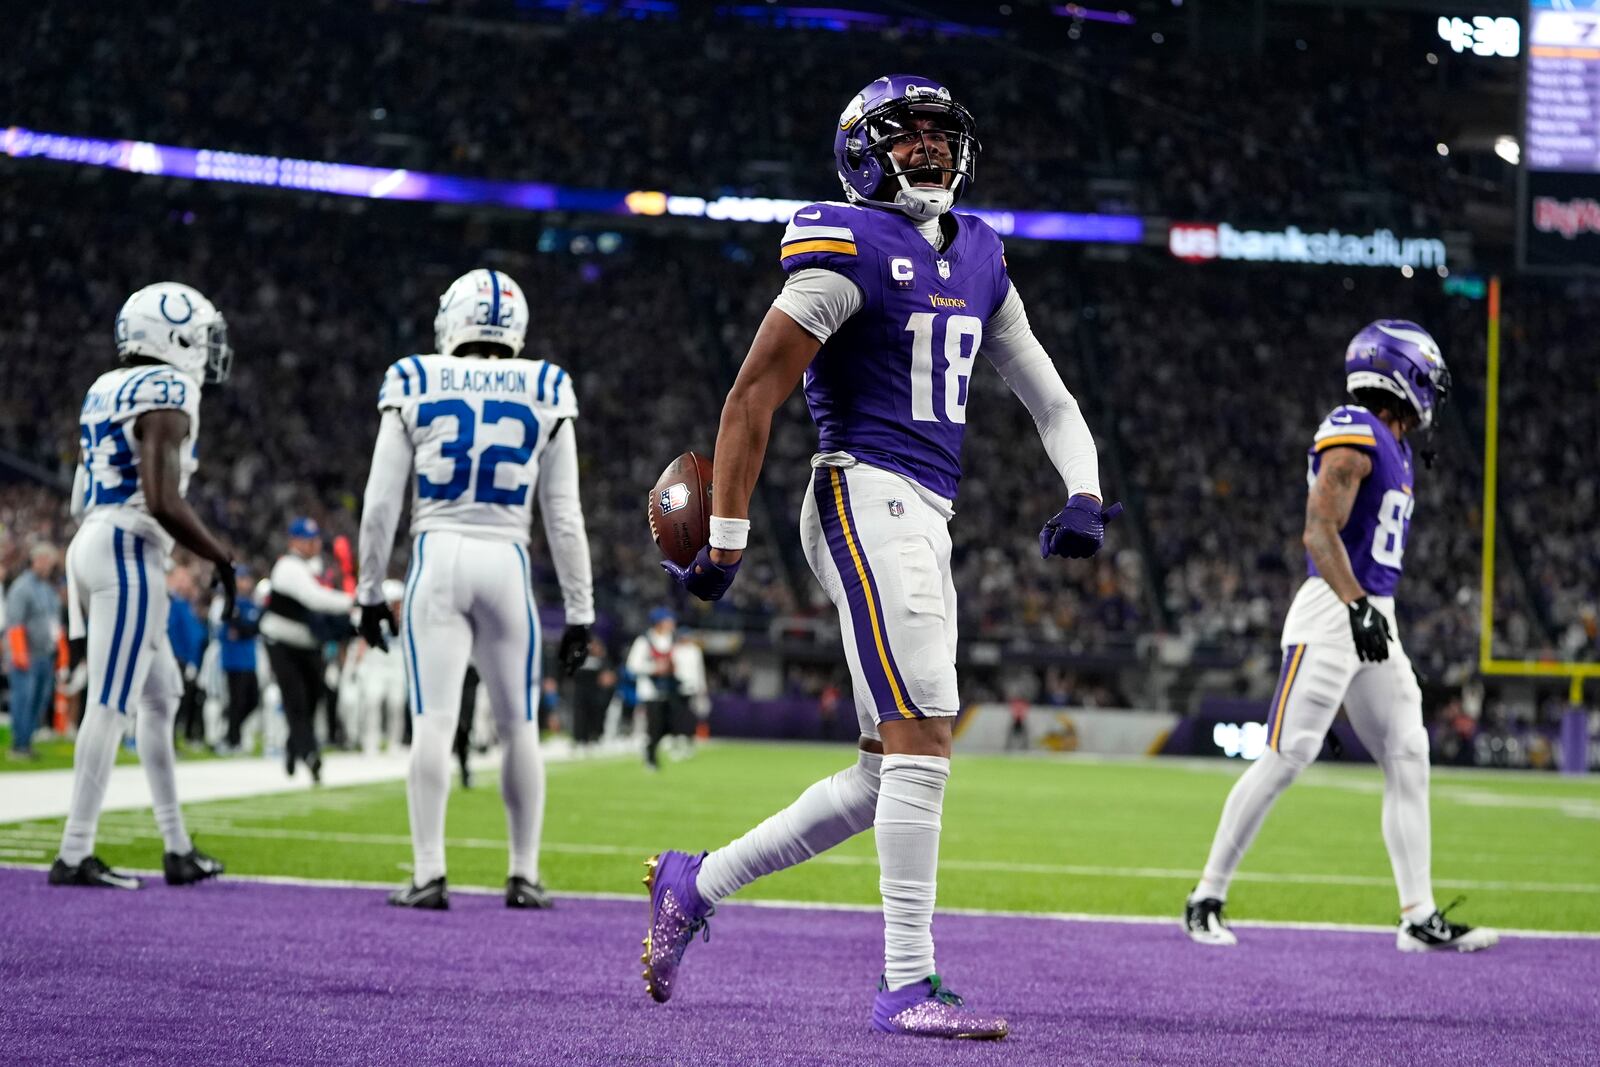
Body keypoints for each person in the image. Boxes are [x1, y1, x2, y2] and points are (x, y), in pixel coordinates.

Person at [647, 75, 1117, 1039]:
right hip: (862, 486)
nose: (933, 152)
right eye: (910, 138)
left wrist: (1084, 489)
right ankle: (907, 981)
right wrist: (728, 541)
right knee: (924, 735)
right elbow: (751, 396)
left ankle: (695, 882)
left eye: (945, 137)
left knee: (881, 771)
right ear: (866, 150)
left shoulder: (981, 253)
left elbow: (1052, 399)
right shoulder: (845, 242)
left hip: (924, 509)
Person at [1183, 321, 1497, 953]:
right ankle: (1204, 898)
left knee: (1409, 753)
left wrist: (1368, 610)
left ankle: (1418, 914)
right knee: (1286, 756)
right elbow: (1319, 530)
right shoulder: (1354, 430)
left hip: (1372, 611)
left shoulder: (1395, 445)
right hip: (1336, 608)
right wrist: (1356, 607)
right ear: (1399, 371)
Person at [356, 268, 596, 912]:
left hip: (436, 556)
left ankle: (430, 873)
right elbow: (564, 513)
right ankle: (523, 874)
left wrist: (366, 589)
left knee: (432, 723)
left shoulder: (413, 377)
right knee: (519, 727)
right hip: (507, 561)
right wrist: (580, 610)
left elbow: (381, 503)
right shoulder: (546, 384)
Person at [52, 281, 232, 889]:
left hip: (99, 539)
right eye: (200, 338)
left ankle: (177, 847)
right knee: (110, 702)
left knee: (160, 699)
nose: (206, 350)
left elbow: (81, 493)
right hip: (127, 546)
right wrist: (221, 557)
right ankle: (75, 851)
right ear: (174, 335)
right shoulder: (169, 387)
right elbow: (161, 499)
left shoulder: (103, 387)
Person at [260, 517, 355, 783]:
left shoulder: (315, 566)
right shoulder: (288, 567)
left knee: (315, 698)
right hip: (282, 642)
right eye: (308, 539)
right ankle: (311, 756)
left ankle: (295, 746)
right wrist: (354, 601)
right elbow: (314, 599)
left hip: (309, 645)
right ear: (294, 541)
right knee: (296, 700)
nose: (314, 544)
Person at [6, 543, 61, 760]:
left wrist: (58, 651)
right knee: (23, 700)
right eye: (44, 560)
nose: (47, 565)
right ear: (34, 560)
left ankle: (27, 743)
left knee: (38, 702)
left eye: (50, 561)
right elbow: (15, 623)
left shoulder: (47, 590)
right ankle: (18, 746)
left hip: (45, 655)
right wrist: (20, 654)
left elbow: (54, 623)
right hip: (26, 656)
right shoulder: (22, 587)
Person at [627, 608, 687, 770]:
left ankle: (652, 751)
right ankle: (650, 758)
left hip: (669, 689)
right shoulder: (644, 640)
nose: (672, 623)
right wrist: (654, 668)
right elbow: (632, 666)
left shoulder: (673, 640)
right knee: (654, 726)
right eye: (669, 620)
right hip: (650, 690)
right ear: (660, 622)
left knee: (668, 725)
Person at [215, 568, 262, 754]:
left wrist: (244, 628)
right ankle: (232, 740)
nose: (245, 582)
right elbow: (230, 629)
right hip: (233, 660)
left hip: (249, 659)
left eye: (247, 578)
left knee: (253, 700)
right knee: (237, 701)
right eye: (242, 579)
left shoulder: (250, 604)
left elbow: (253, 628)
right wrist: (246, 628)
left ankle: (231, 732)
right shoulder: (228, 602)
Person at [166, 564, 207, 745]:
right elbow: (173, 633)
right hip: (176, 659)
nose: (186, 583)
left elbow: (195, 634)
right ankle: (169, 741)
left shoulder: (186, 604)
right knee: (172, 702)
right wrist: (181, 658)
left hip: (187, 659)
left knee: (183, 702)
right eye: (181, 579)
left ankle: (175, 740)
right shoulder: (171, 602)